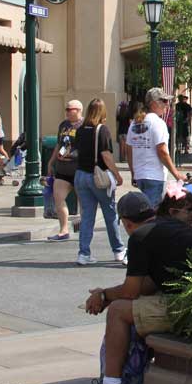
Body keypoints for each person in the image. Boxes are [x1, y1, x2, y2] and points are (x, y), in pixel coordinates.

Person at [71, 191, 192, 384]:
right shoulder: (171, 228)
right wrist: (106, 293)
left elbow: (132, 291)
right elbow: (150, 285)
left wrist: (104, 297)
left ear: (125, 222)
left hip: (185, 307)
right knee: (127, 307)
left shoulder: (141, 236)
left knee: (117, 311)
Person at [74, 98, 126, 266]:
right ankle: (118, 250)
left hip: (81, 175)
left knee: (87, 216)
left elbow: (75, 151)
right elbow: (106, 155)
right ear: (103, 112)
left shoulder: (81, 129)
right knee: (110, 213)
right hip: (97, 177)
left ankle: (84, 253)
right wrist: (117, 175)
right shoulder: (101, 130)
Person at [126, 88, 187, 206]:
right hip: (154, 176)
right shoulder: (157, 123)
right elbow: (162, 151)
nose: (167, 104)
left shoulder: (135, 122)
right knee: (152, 216)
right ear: (154, 104)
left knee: (146, 212)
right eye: (164, 101)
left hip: (140, 176)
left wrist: (134, 173)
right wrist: (177, 174)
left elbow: (129, 150)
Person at [46, 99, 83, 242]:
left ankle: (84, 227)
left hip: (79, 168)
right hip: (62, 169)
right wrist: (51, 162)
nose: (67, 112)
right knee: (58, 197)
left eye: (70, 109)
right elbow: (58, 144)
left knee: (83, 200)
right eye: (66, 109)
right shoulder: (63, 125)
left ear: (79, 110)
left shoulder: (84, 125)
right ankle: (63, 230)